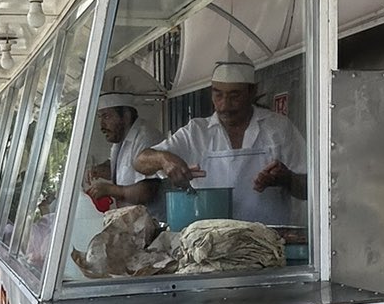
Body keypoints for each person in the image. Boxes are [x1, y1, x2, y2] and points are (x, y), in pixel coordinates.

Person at [135, 52, 307, 227]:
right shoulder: (197, 132)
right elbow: (140, 162)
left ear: (252, 91)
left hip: (269, 242)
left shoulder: (278, 128)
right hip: (211, 242)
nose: (225, 106)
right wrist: (164, 160)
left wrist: (286, 179)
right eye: (218, 95)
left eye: (234, 96)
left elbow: (310, 188)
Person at [85, 64, 162, 209]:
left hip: (151, 223)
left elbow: (149, 190)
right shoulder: (119, 140)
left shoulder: (146, 138)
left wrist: (110, 190)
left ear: (126, 116)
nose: (102, 125)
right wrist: (102, 168)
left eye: (107, 116)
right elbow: (121, 166)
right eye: (100, 117)